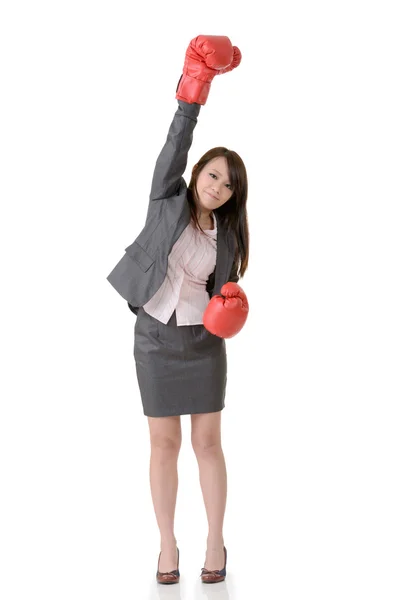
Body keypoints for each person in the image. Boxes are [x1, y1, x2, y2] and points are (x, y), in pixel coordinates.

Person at [106, 34, 250, 584]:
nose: (217, 186)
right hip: (154, 337)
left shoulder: (229, 234)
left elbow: (225, 292)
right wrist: (195, 87)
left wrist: (230, 308)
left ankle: (216, 541)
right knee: (162, 444)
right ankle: (167, 546)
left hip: (201, 345)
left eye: (228, 184)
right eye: (213, 174)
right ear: (197, 175)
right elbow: (176, 141)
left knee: (208, 444)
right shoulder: (166, 200)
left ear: (234, 196)